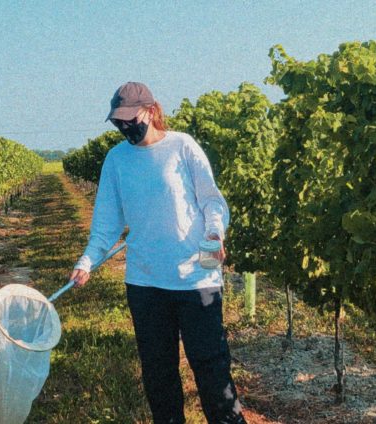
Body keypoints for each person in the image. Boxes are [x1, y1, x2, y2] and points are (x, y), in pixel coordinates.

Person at [68, 81, 246, 424]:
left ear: (150, 111)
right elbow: (106, 222)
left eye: (129, 119)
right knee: (159, 378)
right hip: (146, 284)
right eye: (118, 122)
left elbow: (211, 202)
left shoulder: (182, 146)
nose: (124, 127)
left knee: (213, 375)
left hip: (196, 281)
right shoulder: (116, 160)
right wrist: (87, 261)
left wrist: (214, 236)